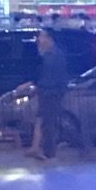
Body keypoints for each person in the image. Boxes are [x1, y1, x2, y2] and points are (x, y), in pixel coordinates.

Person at [26, 29, 70, 163]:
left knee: (48, 122)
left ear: (49, 38)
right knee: (42, 120)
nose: (38, 39)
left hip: (50, 92)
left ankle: (49, 153)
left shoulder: (52, 56)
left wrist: (36, 86)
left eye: (41, 36)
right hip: (50, 91)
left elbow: (47, 76)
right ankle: (37, 148)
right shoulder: (51, 54)